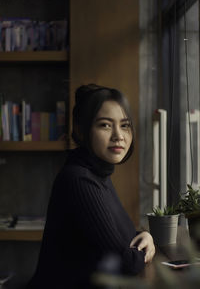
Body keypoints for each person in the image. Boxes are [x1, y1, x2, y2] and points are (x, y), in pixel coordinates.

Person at [28, 84, 155, 289]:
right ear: (81, 129)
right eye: (105, 125)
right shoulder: (79, 179)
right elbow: (127, 262)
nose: (118, 136)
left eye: (125, 125)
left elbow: (126, 237)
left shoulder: (98, 173)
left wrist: (146, 236)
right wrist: (145, 247)